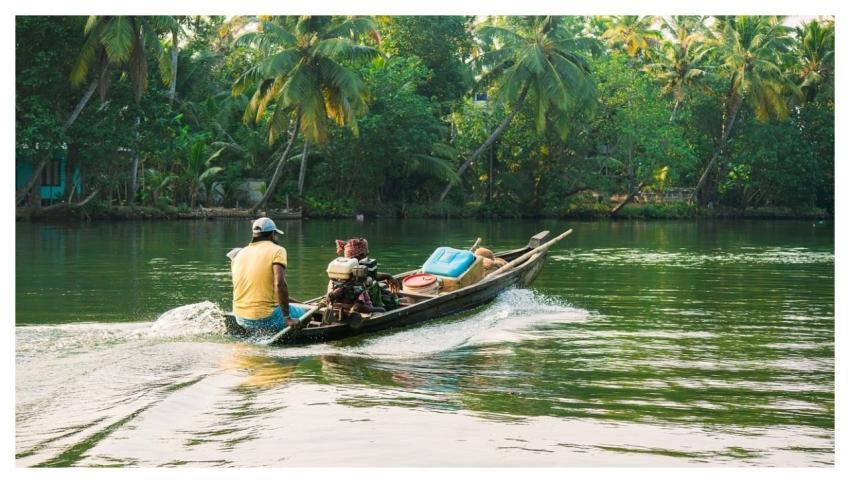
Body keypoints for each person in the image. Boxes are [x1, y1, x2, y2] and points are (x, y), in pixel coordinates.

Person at [230, 217, 304, 332]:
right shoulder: (277, 250)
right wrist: (287, 318)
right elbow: (279, 284)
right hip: (266, 318)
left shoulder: (239, 254)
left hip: (240, 317)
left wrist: (297, 303)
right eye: (276, 234)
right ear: (272, 234)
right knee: (307, 313)